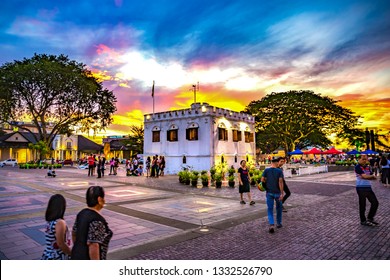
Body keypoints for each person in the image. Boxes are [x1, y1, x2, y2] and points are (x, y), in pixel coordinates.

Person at [71, 186, 113, 260]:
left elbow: (74, 233)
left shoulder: (81, 213)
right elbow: (93, 245)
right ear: (99, 199)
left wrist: (79, 249)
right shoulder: (97, 220)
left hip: (76, 255)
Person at [41, 194, 72, 260]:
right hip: (58, 256)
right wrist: (71, 253)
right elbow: (60, 243)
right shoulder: (59, 222)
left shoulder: (50, 221)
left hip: (48, 254)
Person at [355, 154, 379, 226]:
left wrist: (373, 177)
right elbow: (364, 176)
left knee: (375, 203)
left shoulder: (368, 167)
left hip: (368, 187)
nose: (365, 161)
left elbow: (371, 177)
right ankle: (363, 220)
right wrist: (372, 176)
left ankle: (370, 218)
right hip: (361, 188)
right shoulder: (358, 167)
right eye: (363, 159)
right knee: (362, 205)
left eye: (366, 159)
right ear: (359, 159)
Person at [261, 158, 284, 233]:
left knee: (270, 209)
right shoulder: (279, 171)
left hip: (269, 192)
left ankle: (271, 224)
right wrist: (281, 193)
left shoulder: (266, 170)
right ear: (277, 163)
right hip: (277, 192)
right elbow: (280, 182)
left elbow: (262, 180)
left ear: (271, 163)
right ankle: (279, 223)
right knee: (279, 208)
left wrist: (267, 182)